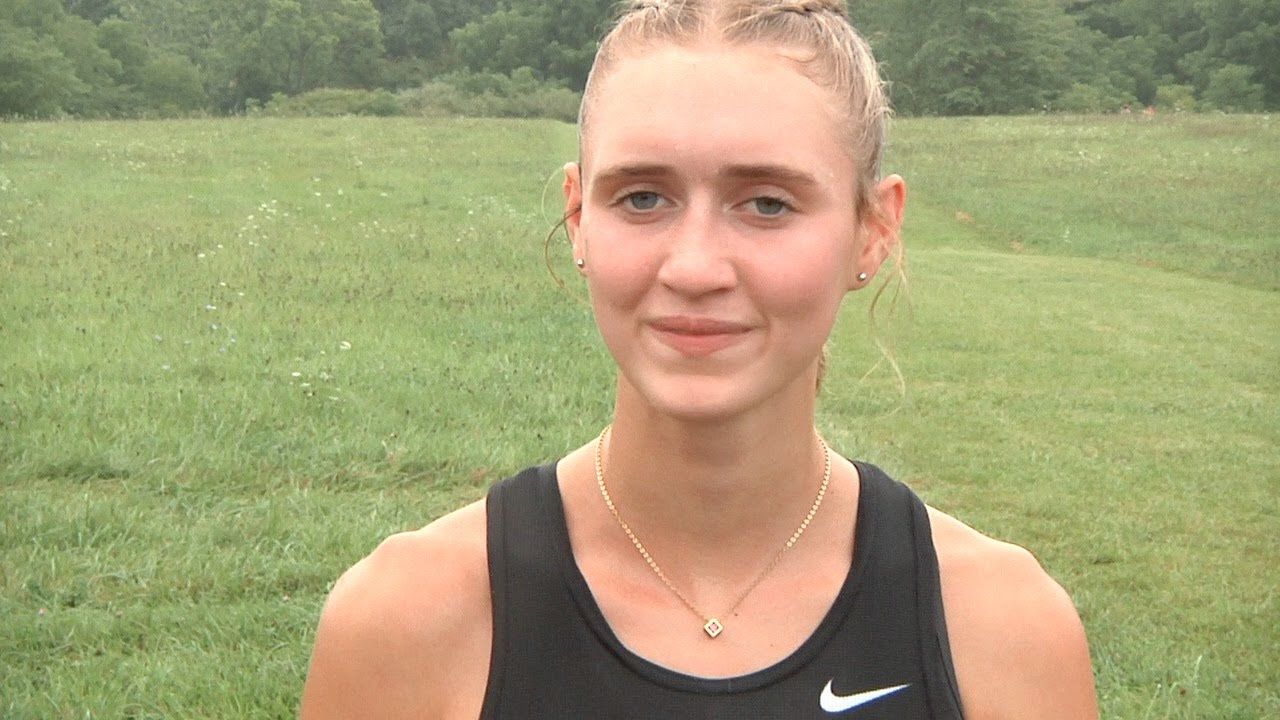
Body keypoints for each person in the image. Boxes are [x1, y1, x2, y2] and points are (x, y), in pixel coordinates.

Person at [299, 1, 1098, 717]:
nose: (694, 267)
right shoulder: (410, 622)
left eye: (767, 203)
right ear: (578, 219)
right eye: (642, 198)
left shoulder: (1000, 628)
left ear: (873, 231)